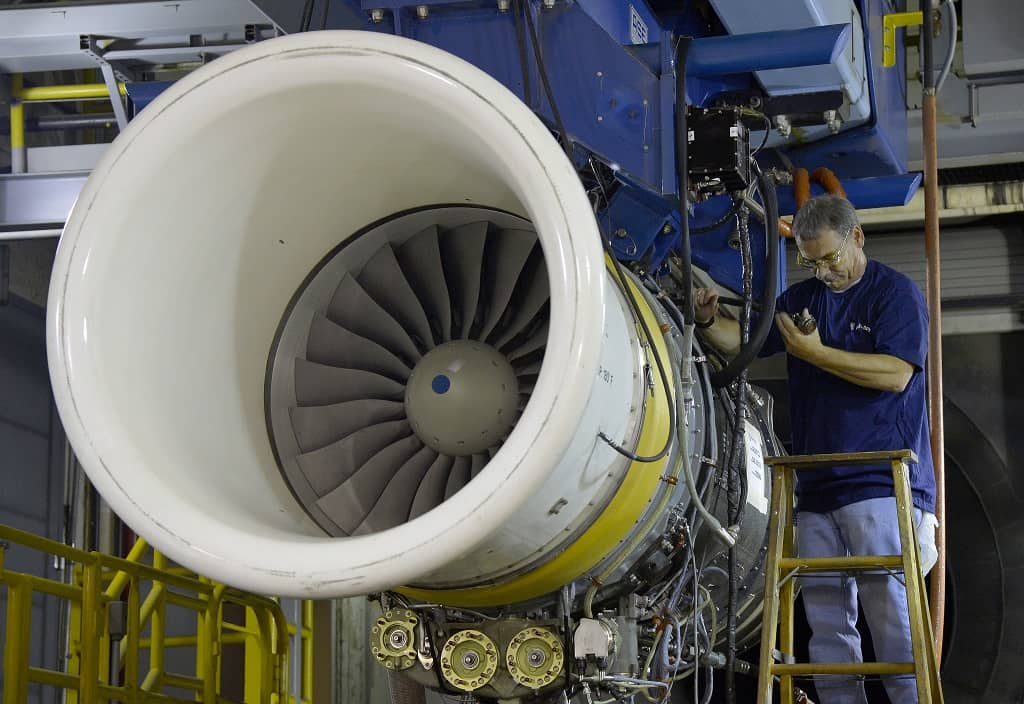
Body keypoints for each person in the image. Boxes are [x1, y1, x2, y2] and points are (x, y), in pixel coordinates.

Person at [693, 194, 938, 704]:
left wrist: (816, 353)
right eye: (812, 262)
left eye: (831, 259)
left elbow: (895, 375)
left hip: (878, 480)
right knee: (826, 620)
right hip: (815, 484)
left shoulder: (894, 295)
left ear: (857, 238)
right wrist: (709, 319)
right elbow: (747, 342)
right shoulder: (799, 301)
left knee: (888, 613)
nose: (824, 272)